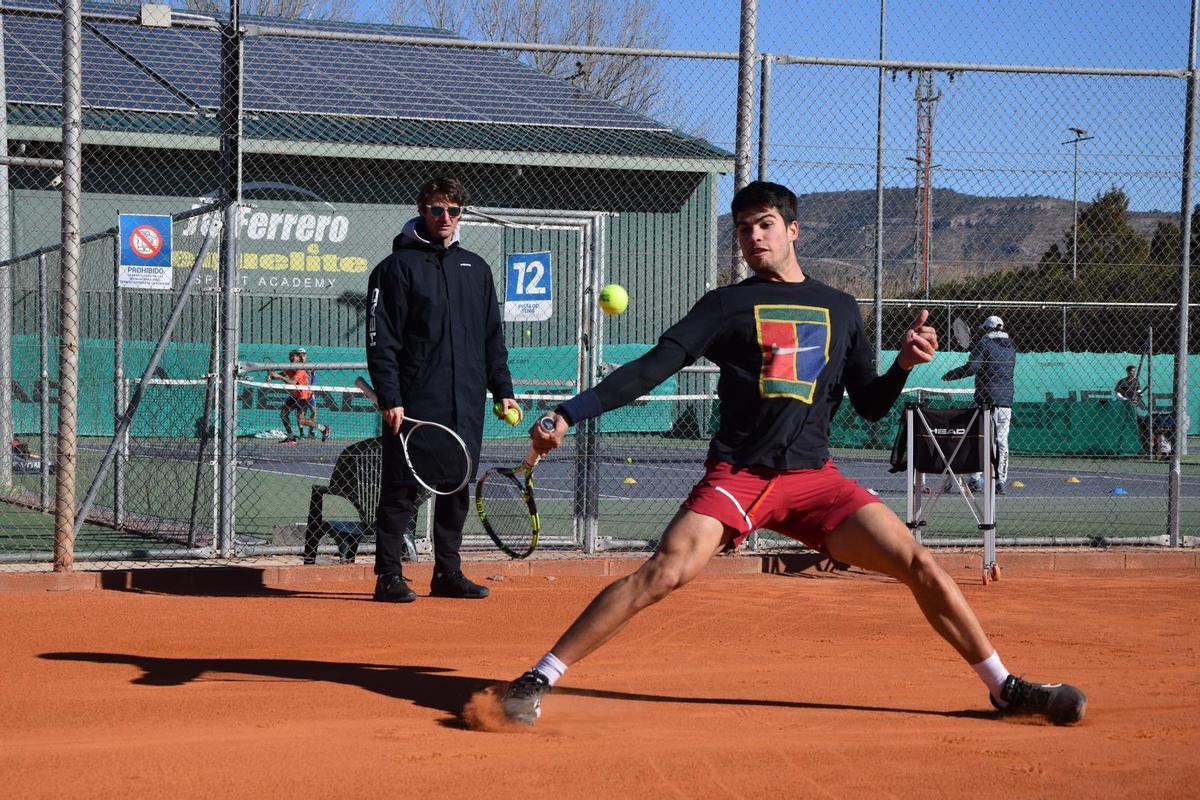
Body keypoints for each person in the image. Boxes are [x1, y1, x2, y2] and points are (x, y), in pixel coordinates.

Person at [499, 181, 1085, 727]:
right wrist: (569, 413)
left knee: (919, 563)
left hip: (815, 482)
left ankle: (1003, 687)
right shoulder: (725, 305)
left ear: (793, 230)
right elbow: (656, 367)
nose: (754, 238)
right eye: (744, 229)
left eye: (766, 225)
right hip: (739, 475)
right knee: (664, 573)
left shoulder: (841, 308)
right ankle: (537, 677)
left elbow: (873, 404)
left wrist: (902, 365)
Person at [366, 175, 521, 603]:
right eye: (437, 209)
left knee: (456, 486)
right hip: (415, 400)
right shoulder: (395, 268)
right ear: (422, 210)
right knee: (400, 488)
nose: (446, 218)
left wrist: (502, 389)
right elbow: (382, 339)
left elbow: (493, 337)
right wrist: (391, 396)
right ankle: (389, 576)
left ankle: (447, 573)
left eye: (454, 211)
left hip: (466, 399)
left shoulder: (476, 268)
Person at [941, 315, 1015, 495]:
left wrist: (952, 374)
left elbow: (973, 367)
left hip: (986, 400)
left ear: (987, 329)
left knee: (979, 438)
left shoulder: (984, 343)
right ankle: (1000, 482)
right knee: (1001, 442)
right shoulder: (1011, 346)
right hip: (1006, 401)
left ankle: (975, 480)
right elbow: (993, 362)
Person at [268, 348, 330, 444]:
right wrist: (271, 376)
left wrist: (279, 377)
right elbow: (281, 374)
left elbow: (292, 382)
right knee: (283, 415)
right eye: (291, 355)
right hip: (294, 396)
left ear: (298, 357)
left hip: (303, 397)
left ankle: (323, 429)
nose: (292, 357)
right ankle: (291, 437)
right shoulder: (289, 367)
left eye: (294, 355)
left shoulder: (301, 370)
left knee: (301, 420)